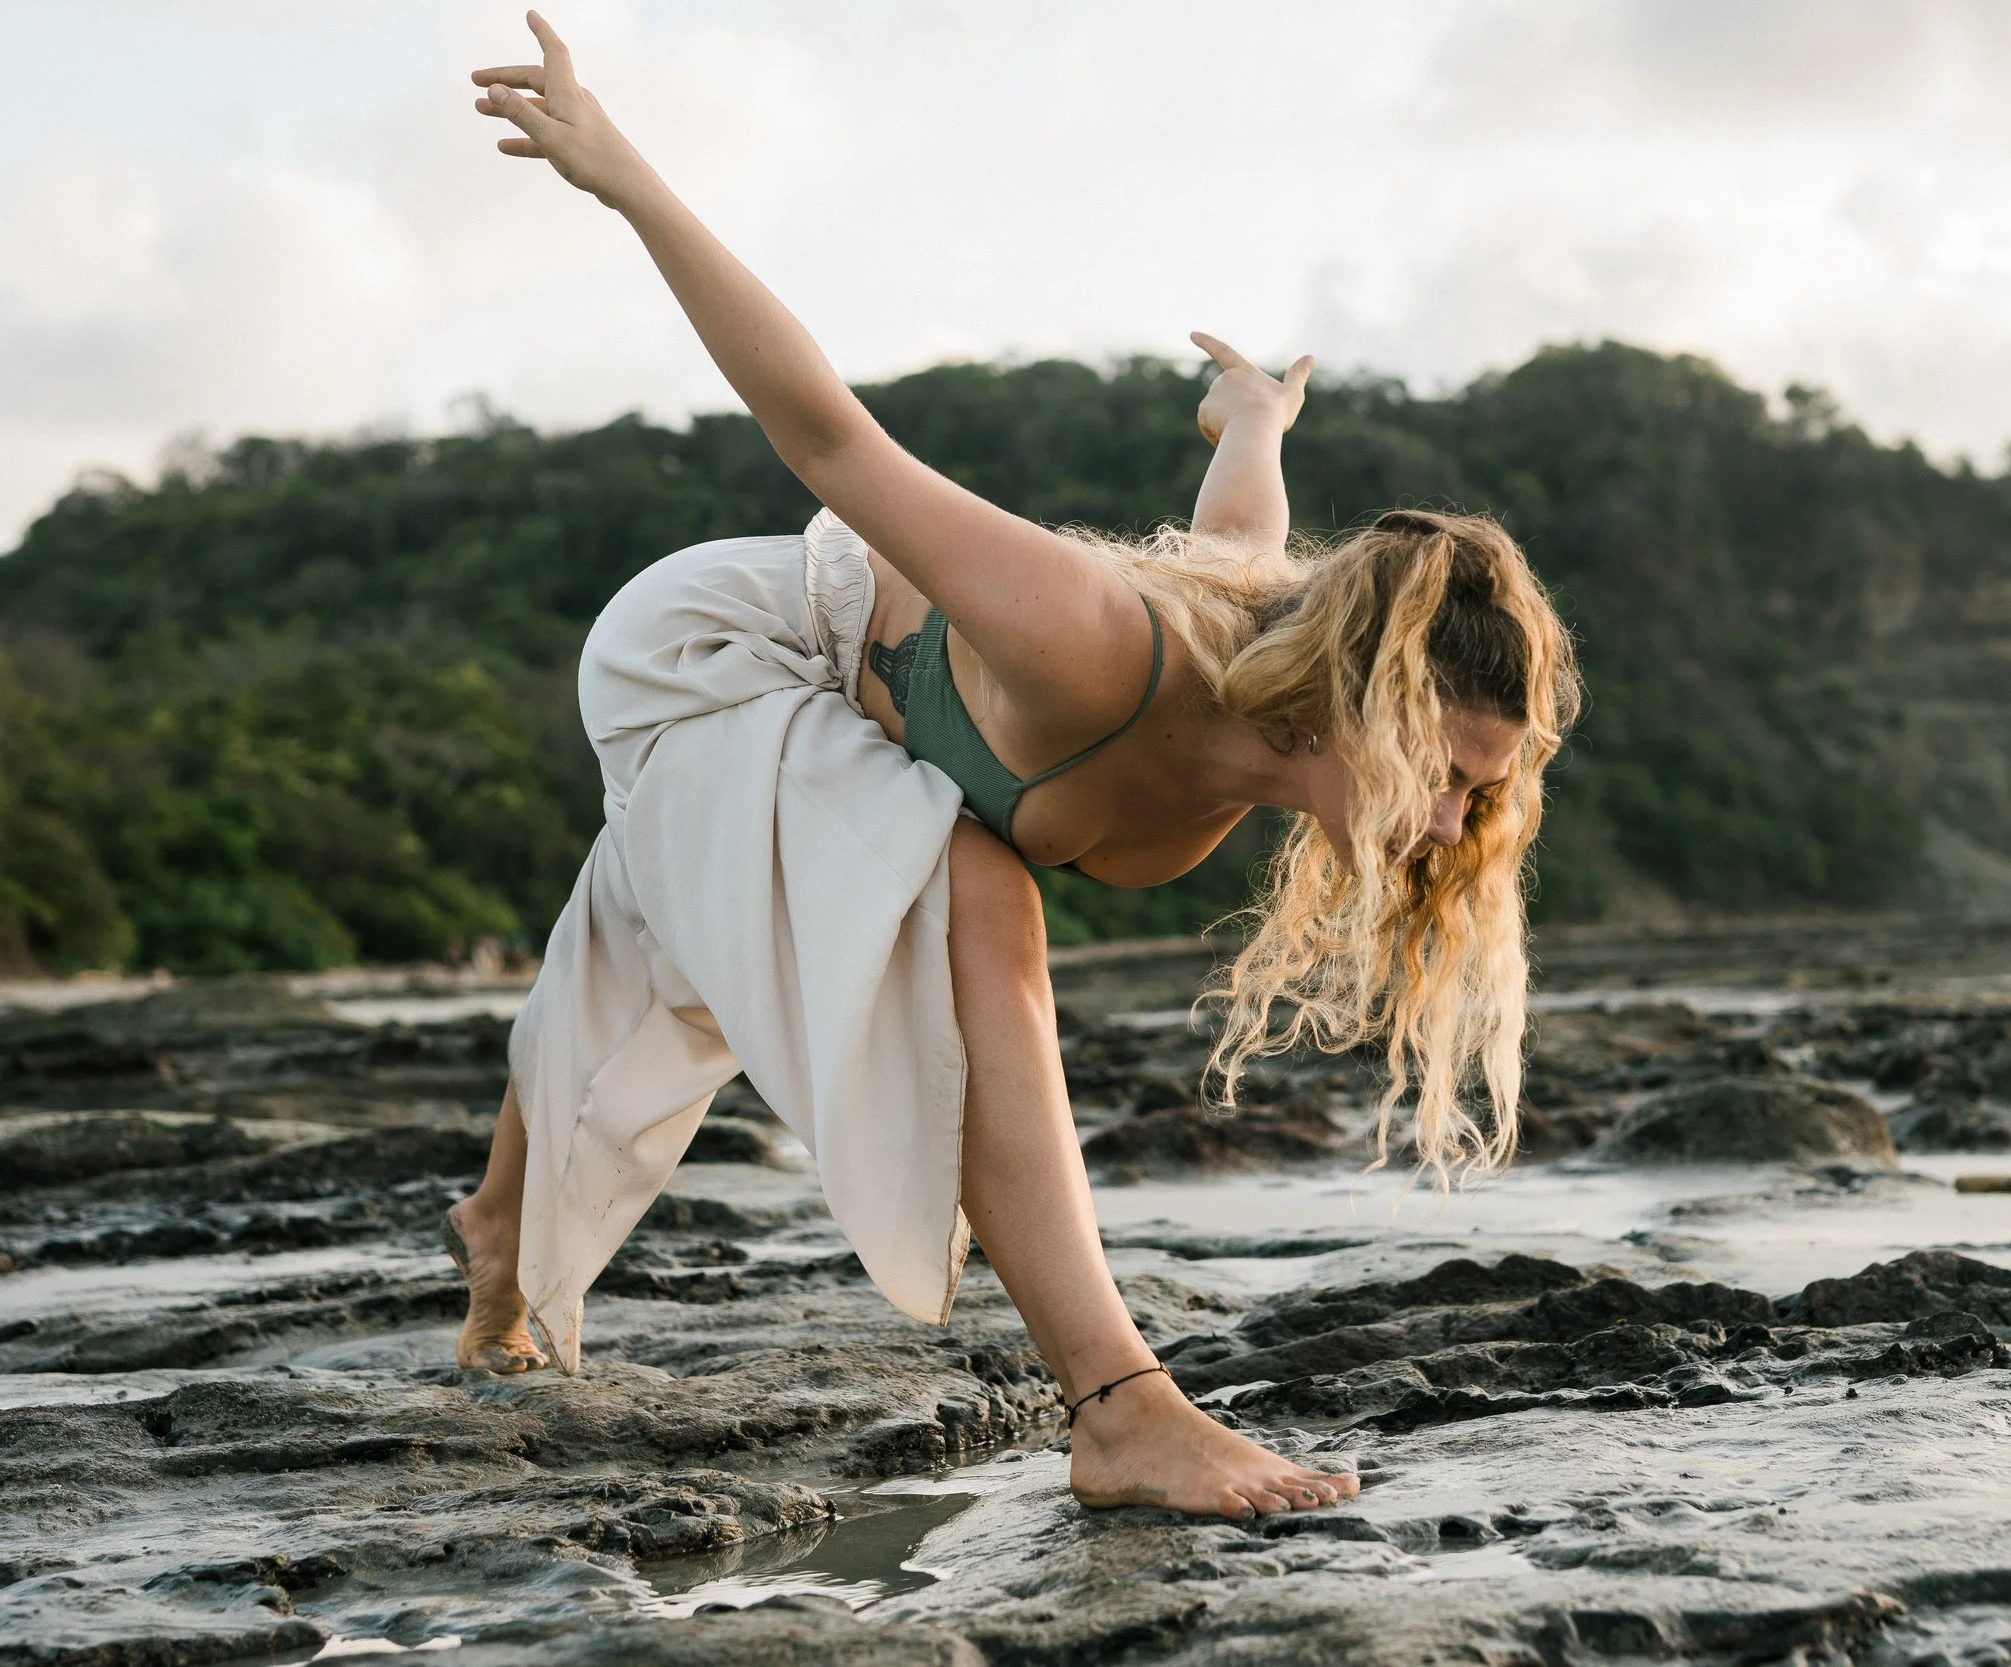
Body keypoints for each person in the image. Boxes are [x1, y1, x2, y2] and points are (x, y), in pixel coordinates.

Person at [441, 11, 1580, 1522]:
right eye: (1447, 768)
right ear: (1361, 702)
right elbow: (829, 437)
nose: (1455, 816)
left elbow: (1240, 522)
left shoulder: (1260, 650)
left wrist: (1254, 411)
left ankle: (494, 1241)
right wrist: (629, 178)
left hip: (840, 722)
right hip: (717, 645)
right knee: (974, 892)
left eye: (1482, 794)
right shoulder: (1098, 646)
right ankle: (1120, 1409)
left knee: (665, 927)